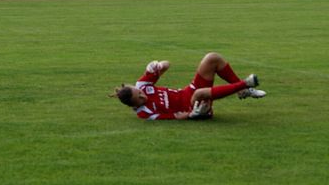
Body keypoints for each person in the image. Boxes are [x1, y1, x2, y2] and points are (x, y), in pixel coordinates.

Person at [112, 52, 266, 120]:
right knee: (199, 93)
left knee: (212, 58)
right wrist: (193, 115)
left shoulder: (142, 85)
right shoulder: (145, 113)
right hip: (194, 107)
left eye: (139, 92)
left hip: (189, 90)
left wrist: (157, 65)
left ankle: (243, 91)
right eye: (139, 98)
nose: (142, 95)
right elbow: (176, 117)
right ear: (134, 105)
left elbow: (167, 64)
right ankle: (245, 84)